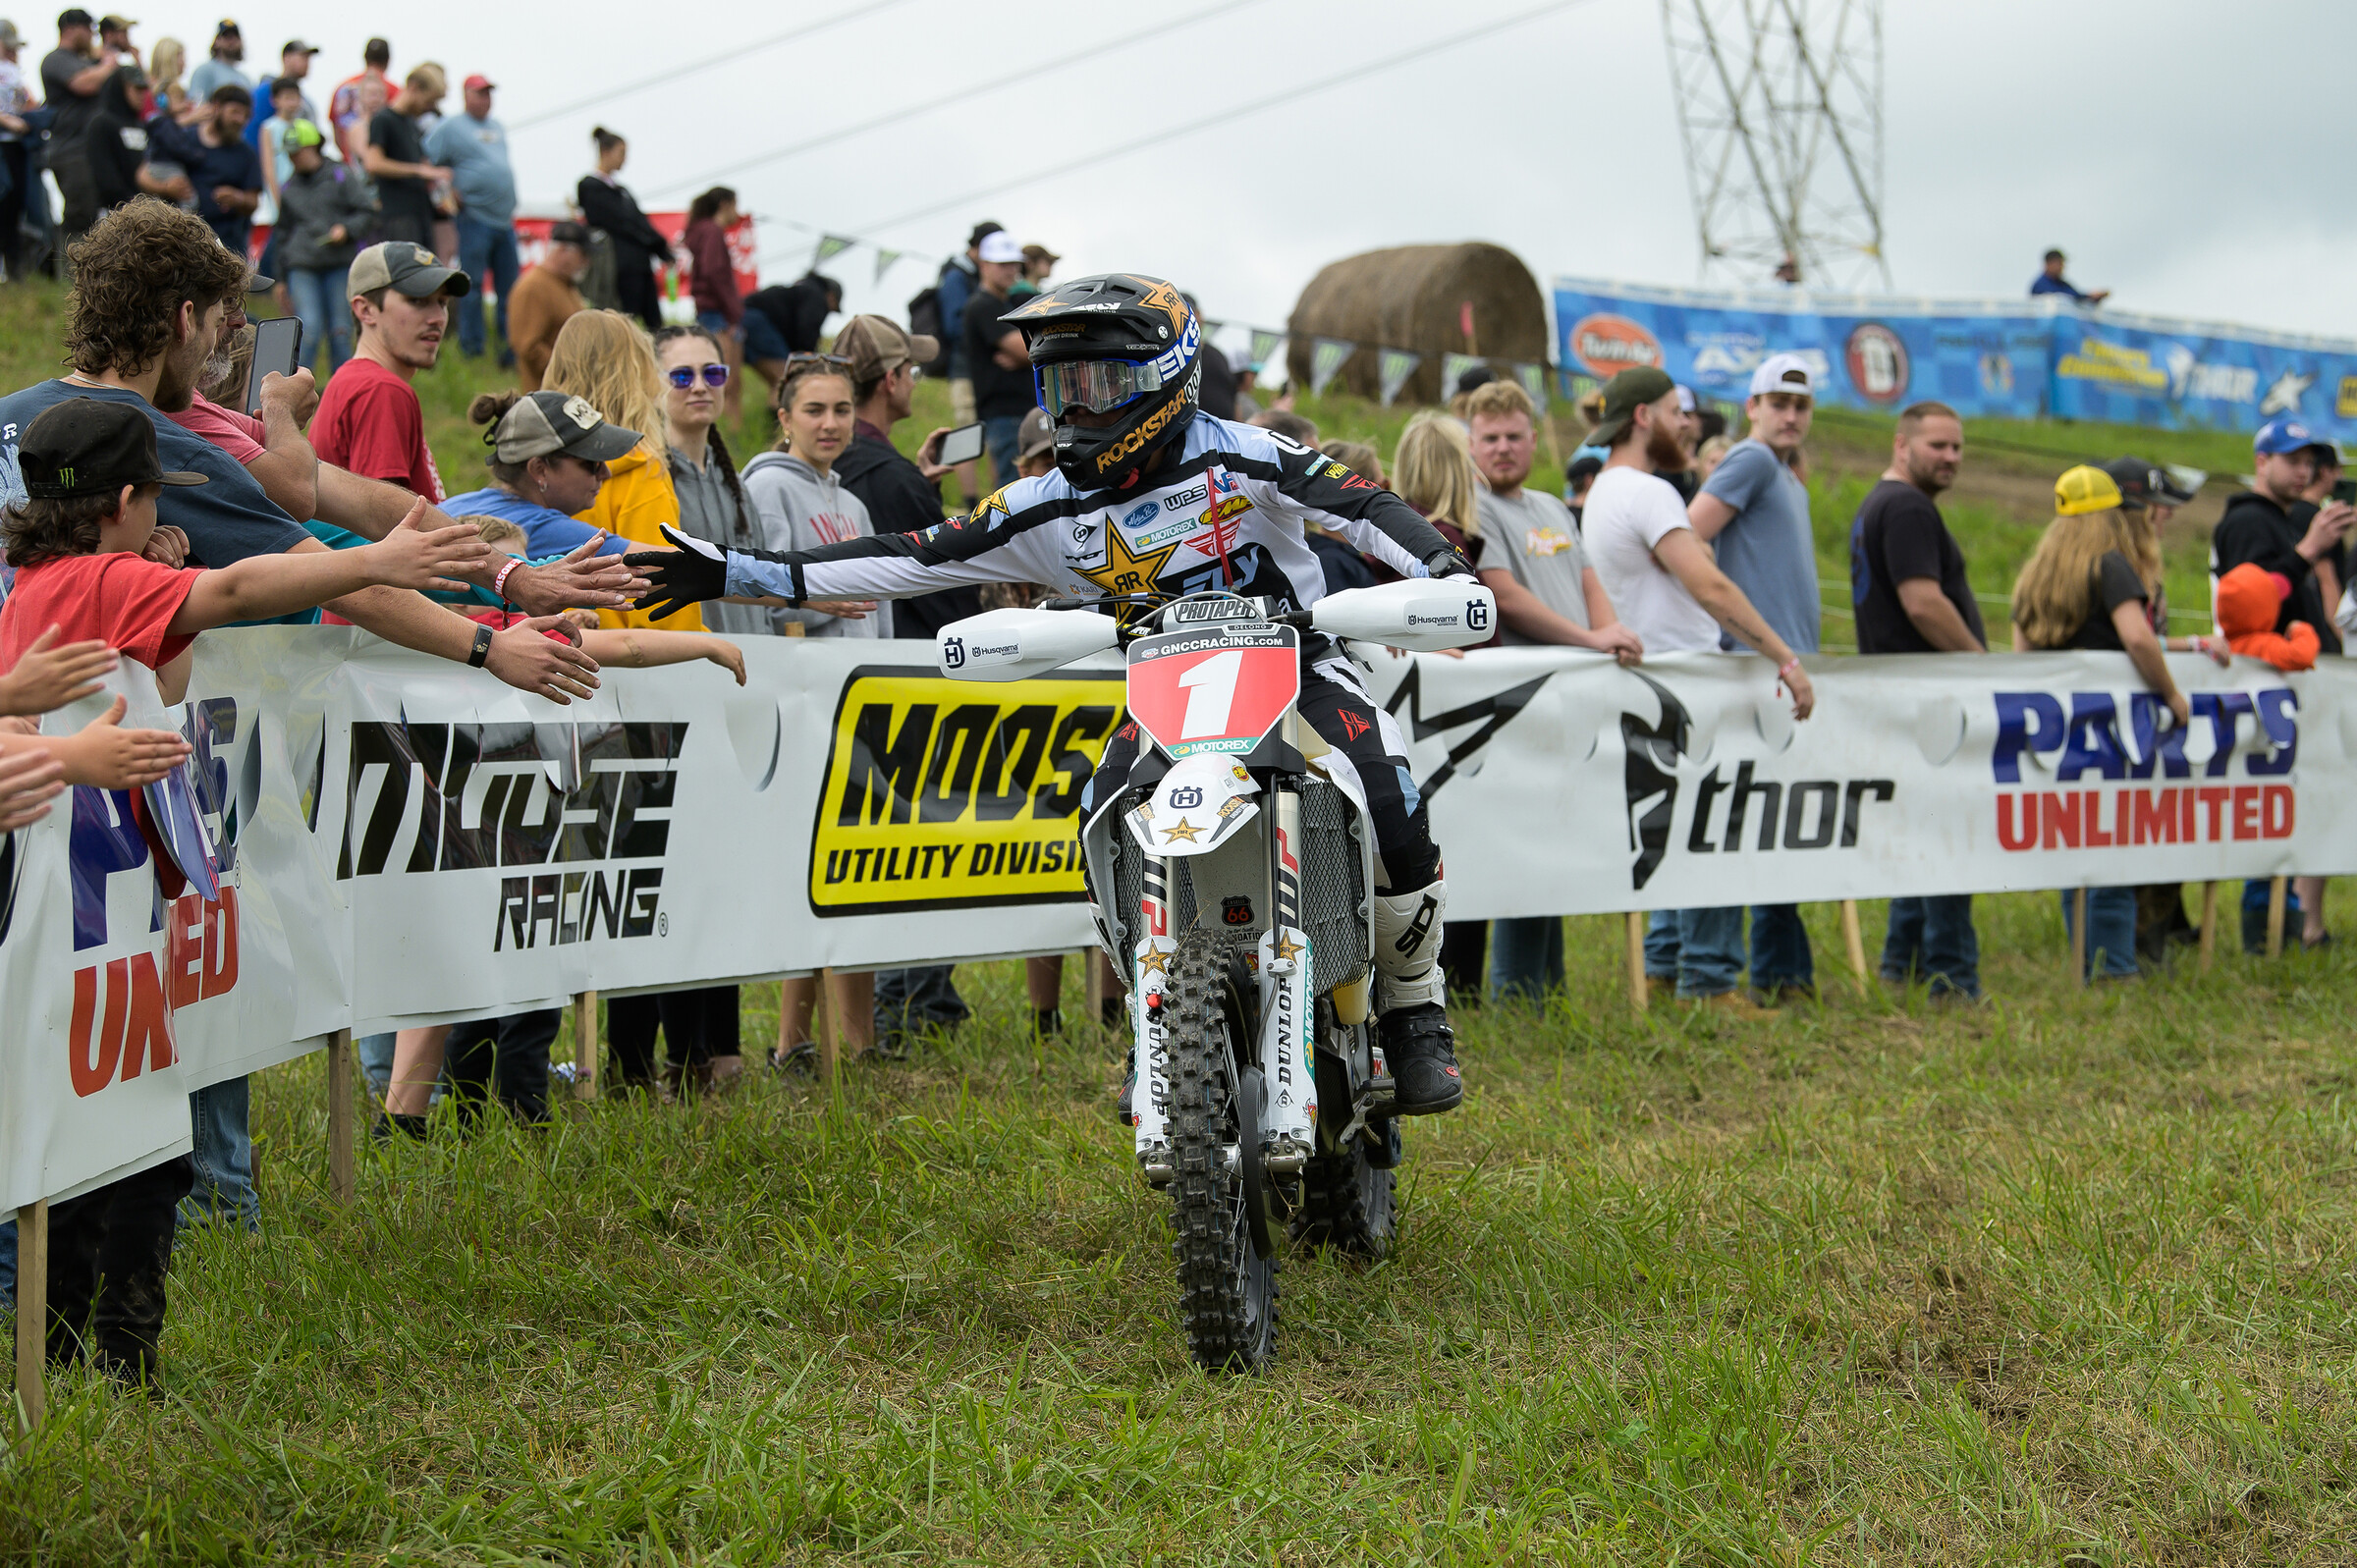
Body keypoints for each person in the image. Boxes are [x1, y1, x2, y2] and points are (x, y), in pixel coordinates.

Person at [630, 274, 1485, 1117]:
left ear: (1166, 376)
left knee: (1388, 791)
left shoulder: (1245, 452)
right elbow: (906, 553)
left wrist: (1441, 567)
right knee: (1103, 818)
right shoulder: (1046, 502)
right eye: (1060, 386)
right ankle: (1156, 1021)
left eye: (1099, 383)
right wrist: (732, 568)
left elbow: (1364, 505)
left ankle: (1416, 1008)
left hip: (1297, 664)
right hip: (1169, 693)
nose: (1077, 407)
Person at [5, 395, 492, 1325]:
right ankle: (111, 1351)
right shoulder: (99, 577)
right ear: (125, 500)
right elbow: (231, 593)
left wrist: (158, 591)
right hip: (84, 912)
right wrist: (378, 561)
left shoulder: (41, 577)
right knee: (139, 1145)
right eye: (155, 497)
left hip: (91, 912)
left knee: (95, 1134)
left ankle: (68, 1339)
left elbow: (168, 681)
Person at [1578, 365, 1816, 1018]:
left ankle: (1663, 967)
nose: (1690, 424)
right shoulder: (1650, 492)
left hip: (1655, 676)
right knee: (1713, 827)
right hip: (1691, 678)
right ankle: (1709, 982)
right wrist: (1783, 656)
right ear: (1644, 418)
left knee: (1674, 828)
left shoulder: (1603, 491)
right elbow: (1707, 586)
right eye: (1678, 411)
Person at [1462, 377, 1642, 1001]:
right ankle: (1516, 991)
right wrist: (1588, 642)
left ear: (1534, 439)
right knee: (1524, 845)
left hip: (1574, 697)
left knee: (1558, 838)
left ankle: (1550, 987)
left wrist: (1606, 629)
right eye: (1490, 438)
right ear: (1471, 443)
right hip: (1521, 702)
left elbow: (1588, 577)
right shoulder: (1475, 507)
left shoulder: (1552, 506)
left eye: (1514, 436)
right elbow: (1502, 593)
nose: (1503, 448)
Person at [2011, 465, 2224, 979]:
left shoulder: (2039, 570)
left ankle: (2088, 959)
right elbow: (2136, 637)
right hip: (2115, 731)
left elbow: (2023, 649)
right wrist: (2171, 694)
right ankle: (2114, 968)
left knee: (2077, 850)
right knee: (2116, 848)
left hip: (2062, 729)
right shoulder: (2112, 565)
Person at [1682, 352, 1823, 1001]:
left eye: (1801, 405)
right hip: (1749, 670)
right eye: (1779, 402)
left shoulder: (1787, 475)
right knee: (1733, 822)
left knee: (1770, 824)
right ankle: (1710, 977)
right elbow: (1686, 538)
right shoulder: (1753, 459)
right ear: (1753, 407)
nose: (1790, 415)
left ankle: (1778, 973)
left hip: (1775, 670)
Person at [1848, 401, 1984, 998]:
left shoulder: (1882, 502)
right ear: (1901, 445)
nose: (1950, 457)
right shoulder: (1906, 507)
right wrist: (1980, 664)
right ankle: (1952, 976)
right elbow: (1922, 602)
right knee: (1949, 836)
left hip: (1900, 693)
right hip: (1926, 697)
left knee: (1923, 831)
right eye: (1938, 446)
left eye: (1957, 447)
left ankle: (1899, 963)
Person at [2212, 415, 2350, 952]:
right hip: (2268, 682)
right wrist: (2307, 552)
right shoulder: (2252, 522)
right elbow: (2249, 601)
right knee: (2272, 809)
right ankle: (2266, 934)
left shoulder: (2282, 519)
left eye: (2309, 462)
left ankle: (2286, 928)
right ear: (2261, 462)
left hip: (2295, 678)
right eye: (2292, 460)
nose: (2303, 471)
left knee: (2298, 809)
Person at [543, 308, 694, 631]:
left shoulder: (537, 468)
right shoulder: (640, 468)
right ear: (637, 377)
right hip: (623, 666)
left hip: (543, 654)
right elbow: (660, 592)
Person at [830, 311, 975, 641]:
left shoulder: (821, 461)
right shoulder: (895, 480)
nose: (913, 382)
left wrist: (923, 486)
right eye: (911, 371)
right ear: (890, 381)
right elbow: (945, 591)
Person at [310, 241, 464, 506]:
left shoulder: (356, 379)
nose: (438, 317)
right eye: (418, 300)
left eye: (442, 302)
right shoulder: (380, 389)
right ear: (366, 310)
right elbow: (384, 523)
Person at [424, 74, 517, 366]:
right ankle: (473, 349)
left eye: (489, 93)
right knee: (473, 287)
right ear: (466, 96)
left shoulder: (498, 127)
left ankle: (509, 350)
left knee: (510, 291)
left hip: (505, 220)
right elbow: (427, 161)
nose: (485, 99)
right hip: (474, 217)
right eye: (480, 93)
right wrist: (446, 194)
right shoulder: (450, 127)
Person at [275, 119, 367, 374]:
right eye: (290, 153)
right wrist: (280, 279)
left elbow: (367, 212)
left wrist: (346, 229)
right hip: (302, 265)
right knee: (309, 329)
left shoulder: (341, 174)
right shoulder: (289, 187)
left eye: (297, 152)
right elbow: (282, 233)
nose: (293, 158)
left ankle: (344, 391)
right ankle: (298, 390)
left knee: (341, 331)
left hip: (338, 264)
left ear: (313, 146)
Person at [43, 6, 137, 248]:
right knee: (79, 213)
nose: (93, 34)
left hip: (90, 150)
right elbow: (84, 84)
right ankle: (68, 274)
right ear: (72, 29)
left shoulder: (86, 60)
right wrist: (108, 63)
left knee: (99, 213)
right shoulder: (56, 59)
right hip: (70, 150)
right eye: (88, 28)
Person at [145, 82, 261, 251]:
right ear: (216, 107)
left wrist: (238, 198)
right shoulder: (183, 140)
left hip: (225, 246)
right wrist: (166, 187)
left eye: (245, 115)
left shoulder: (247, 154)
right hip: (178, 242)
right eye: (235, 112)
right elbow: (143, 174)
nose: (240, 120)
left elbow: (253, 201)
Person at [932, 221, 998, 510]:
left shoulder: (968, 275)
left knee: (990, 431)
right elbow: (954, 324)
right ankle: (970, 501)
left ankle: (994, 497)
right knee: (966, 431)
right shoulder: (956, 276)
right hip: (963, 368)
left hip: (982, 369)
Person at [577, 127, 667, 332]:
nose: (624, 160)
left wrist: (661, 248)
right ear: (605, 152)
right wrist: (650, 240)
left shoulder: (622, 191)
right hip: (616, 265)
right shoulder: (590, 187)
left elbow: (639, 221)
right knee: (621, 323)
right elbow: (621, 222)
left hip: (640, 263)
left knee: (654, 323)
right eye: (621, 153)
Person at [961, 229, 1031, 487]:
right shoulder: (982, 305)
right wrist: (1029, 355)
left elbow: (1028, 351)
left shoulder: (1009, 303)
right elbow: (1028, 350)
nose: (1011, 270)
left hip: (1019, 411)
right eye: (1003, 264)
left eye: (1014, 263)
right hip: (1004, 414)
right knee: (1015, 490)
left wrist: (1027, 355)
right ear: (984, 265)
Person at [682, 186, 747, 417]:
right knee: (728, 383)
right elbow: (714, 272)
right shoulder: (712, 232)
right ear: (724, 204)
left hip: (709, 311)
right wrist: (733, 312)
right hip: (719, 314)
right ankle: (732, 436)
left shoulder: (700, 231)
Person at [361, 63, 444, 248]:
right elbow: (373, 163)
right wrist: (418, 171)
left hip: (421, 213)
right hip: (398, 217)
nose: (428, 108)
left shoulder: (411, 123)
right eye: (428, 101)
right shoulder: (384, 120)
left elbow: (422, 163)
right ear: (414, 88)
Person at [506, 218, 588, 392]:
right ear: (563, 250)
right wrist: (571, 374)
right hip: (547, 397)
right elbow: (528, 347)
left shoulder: (565, 285)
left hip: (568, 396)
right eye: (583, 255)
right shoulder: (533, 288)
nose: (586, 263)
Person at [2217, 564, 2319, 670]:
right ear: (2268, 607)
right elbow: (2301, 656)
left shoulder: (2221, 649)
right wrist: (2300, 630)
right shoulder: (2263, 646)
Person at [0, 19, 33, 282]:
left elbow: (26, 102)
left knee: (14, 210)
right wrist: (5, 119)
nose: (13, 52)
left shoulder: (13, 71)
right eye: (7, 46)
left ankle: (14, 274)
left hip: (17, 148)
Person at [327, 36, 388, 166]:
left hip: (350, 164)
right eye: (371, 95)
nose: (375, 99)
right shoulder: (394, 89)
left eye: (377, 95)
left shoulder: (343, 87)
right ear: (388, 60)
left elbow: (336, 127)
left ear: (365, 57)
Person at [185, 17, 243, 101]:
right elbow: (196, 104)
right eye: (227, 37)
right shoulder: (205, 70)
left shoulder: (245, 80)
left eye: (235, 37)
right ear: (217, 41)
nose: (231, 41)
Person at [2030, 247, 2108, 305]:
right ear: (2048, 264)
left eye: (2062, 263)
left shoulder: (2063, 284)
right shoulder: (2040, 284)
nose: (2062, 267)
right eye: (2059, 263)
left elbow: (2077, 297)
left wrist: (2092, 297)